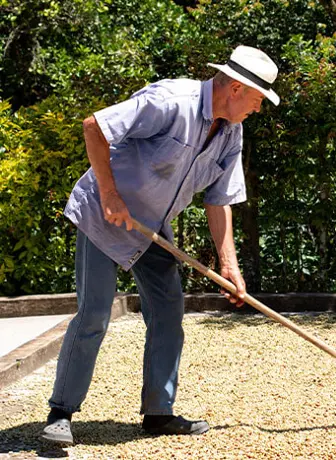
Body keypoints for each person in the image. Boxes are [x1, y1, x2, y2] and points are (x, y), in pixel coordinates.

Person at [41, 45, 280, 445]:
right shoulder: (171, 101)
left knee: (169, 310)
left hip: (150, 225)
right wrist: (109, 195)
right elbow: (93, 127)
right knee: (96, 312)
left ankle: (158, 413)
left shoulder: (231, 133)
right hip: (104, 215)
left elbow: (219, 199)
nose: (258, 109)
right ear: (237, 88)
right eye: (258, 100)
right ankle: (60, 413)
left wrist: (229, 265)